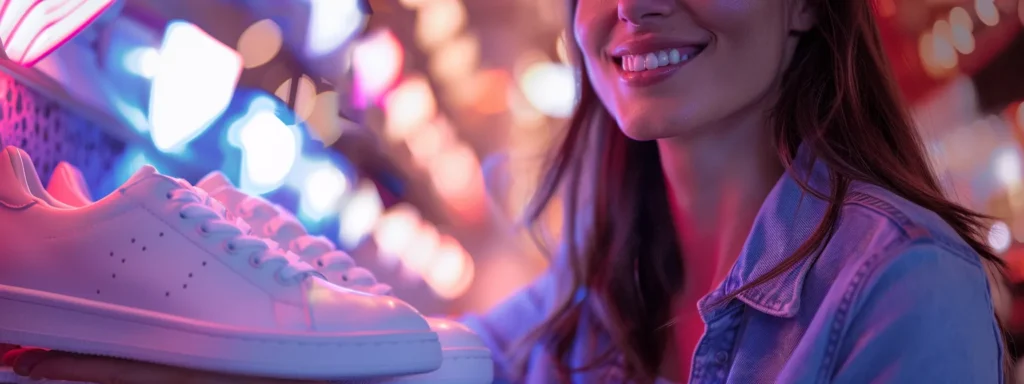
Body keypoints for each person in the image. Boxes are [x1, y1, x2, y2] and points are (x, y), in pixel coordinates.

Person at [1, 0, 1009, 383]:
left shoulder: (909, 289)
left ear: (804, 9)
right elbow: (417, 368)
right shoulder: (586, 297)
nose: (636, 4)